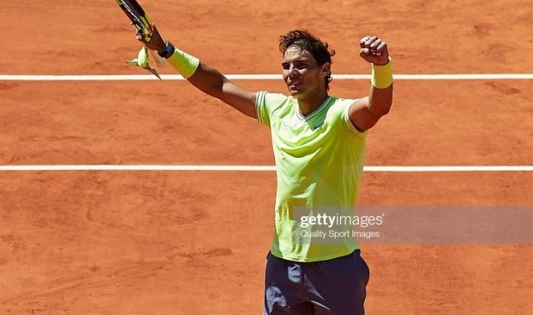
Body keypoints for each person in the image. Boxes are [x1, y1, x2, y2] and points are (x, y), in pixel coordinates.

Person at [136, 26, 393, 315]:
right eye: (286, 66)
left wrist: (381, 66)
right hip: (282, 263)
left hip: (334, 263)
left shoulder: (341, 116)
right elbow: (218, 85)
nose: (291, 73)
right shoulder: (277, 109)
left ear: (324, 70)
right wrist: (166, 50)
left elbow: (376, 107)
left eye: (301, 65)